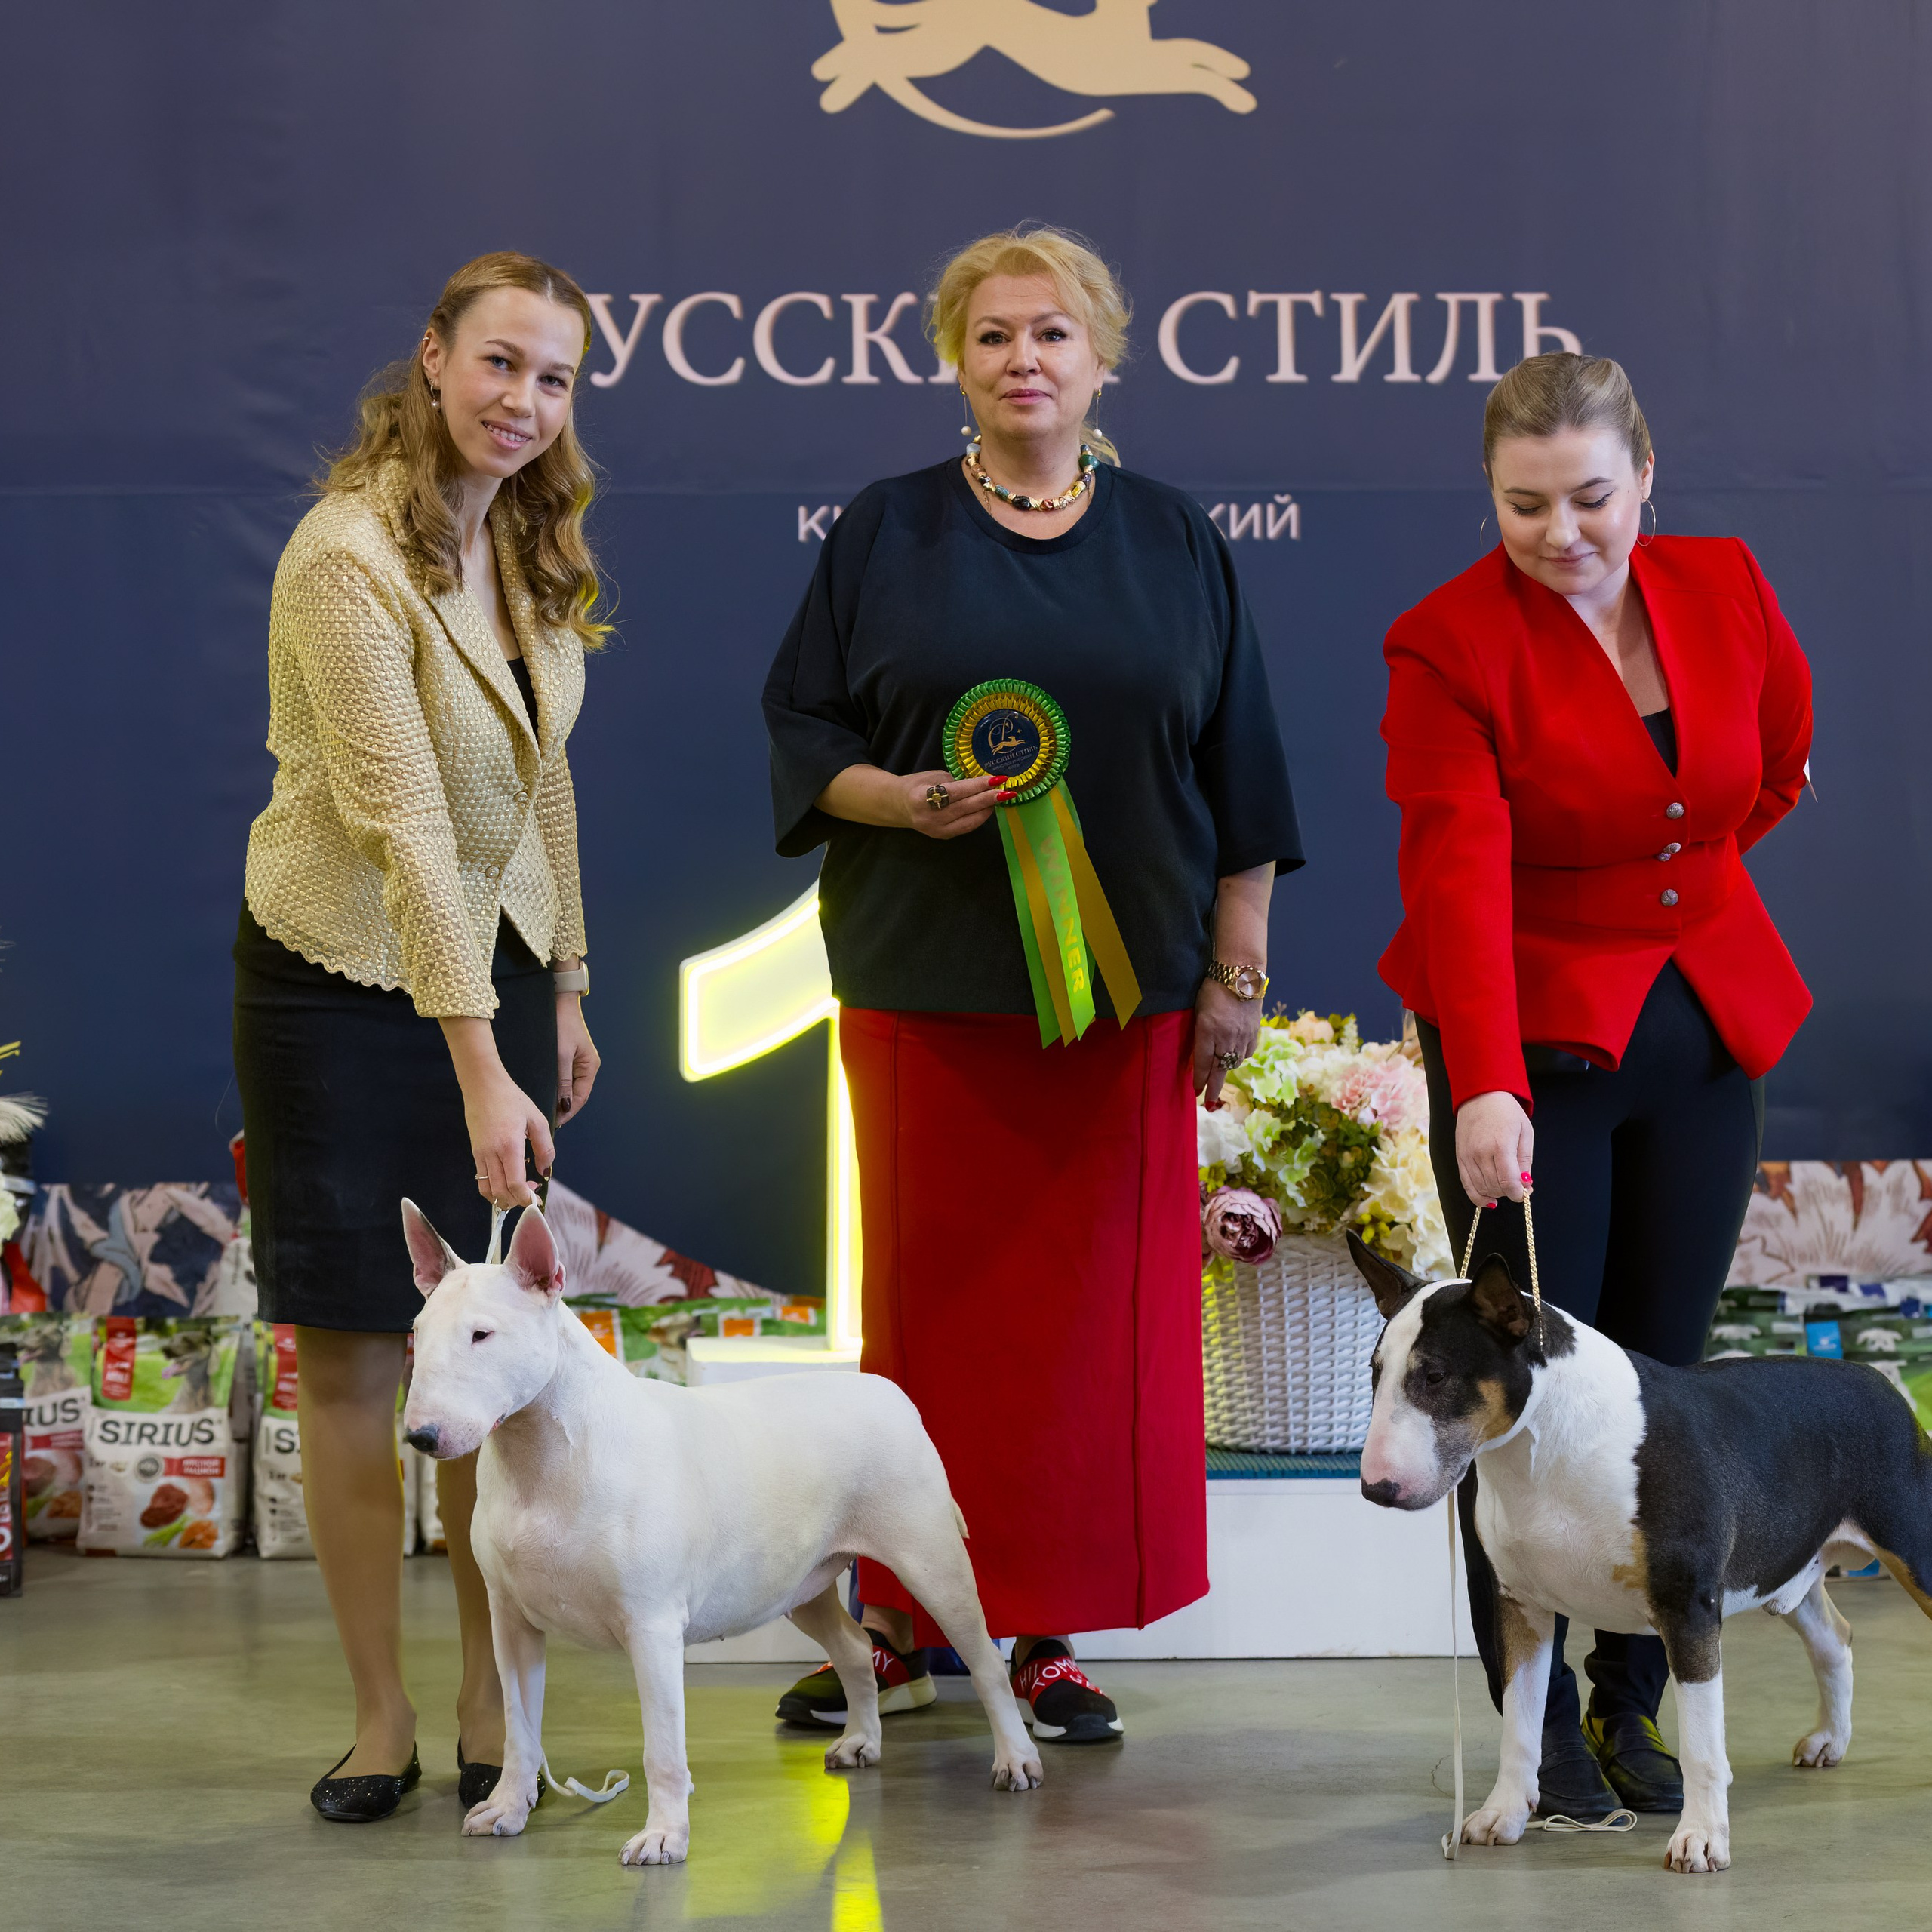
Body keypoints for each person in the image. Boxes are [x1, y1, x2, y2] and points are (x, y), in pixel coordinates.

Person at [762, 226, 1303, 1743]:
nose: (1023, 361)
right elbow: (803, 726)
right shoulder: (881, 531)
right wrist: (898, 799)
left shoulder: (1177, 539)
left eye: (1052, 334)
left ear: (1102, 355)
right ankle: (896, 1623)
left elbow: (1238, 772)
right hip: (923, 994)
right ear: (954, 358)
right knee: (925, 1331)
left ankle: (1042, 1631)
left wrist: (1232, 971)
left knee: (1084, 1341)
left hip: (1121, 1006)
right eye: (992, 335)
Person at [1379, 352, 1812, 1818]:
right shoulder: (1442, 642)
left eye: (1589, 497)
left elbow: (1771, 763)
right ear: (1485, 492)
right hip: (1527, 1049)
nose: (1561, 530)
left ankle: (1634, 1710)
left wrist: (1669, 877)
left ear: (1643, 478)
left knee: (1660, 1396)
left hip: (1699, 1026)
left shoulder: (1727, 582)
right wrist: (1481, 1079)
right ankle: (1536, 1734)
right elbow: (1451, 865)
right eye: (1521, 504)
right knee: (1503, 1406)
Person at [233, 251, 606, 1821]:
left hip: (495, 976)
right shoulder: (343, 557)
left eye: (558, 378)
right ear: (433, 359)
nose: (525, 403)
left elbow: (533, 783)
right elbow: (398, 828)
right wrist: (479, 1067)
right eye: (500, 365)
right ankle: (380, 1714)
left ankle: (485, 1697)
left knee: (488, 1357)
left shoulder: (518, 540)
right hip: (337, 980)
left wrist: (565, 980)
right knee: (355, 1352)